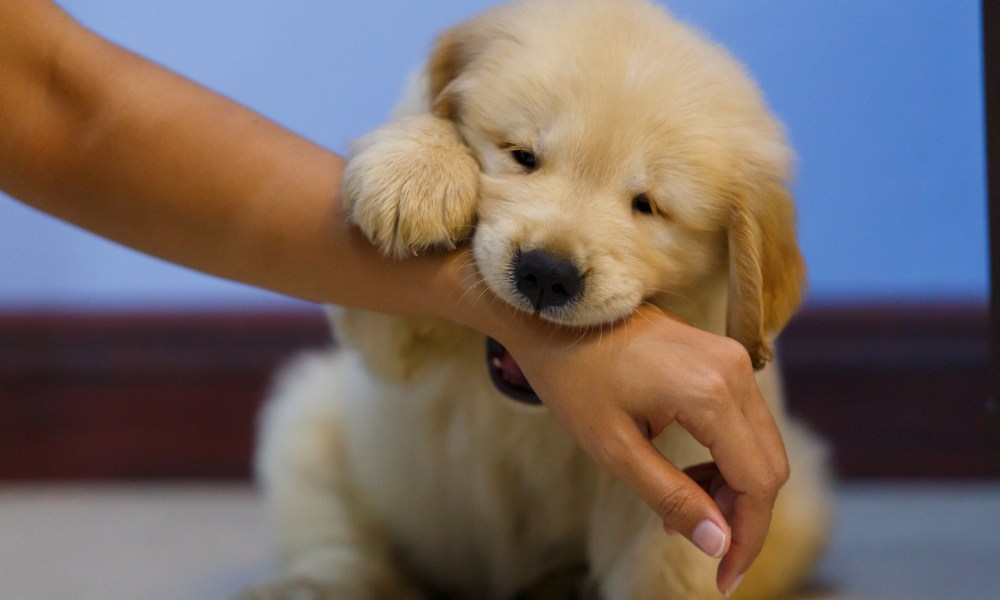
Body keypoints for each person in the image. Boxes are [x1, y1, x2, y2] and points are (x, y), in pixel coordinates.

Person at [0, 1, 787, 595]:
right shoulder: (455, 103)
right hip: (411, 527)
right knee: (307, 421)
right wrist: (424, 143)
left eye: (648, 206)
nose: (555, 255)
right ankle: (337, 571)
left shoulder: (732, 251)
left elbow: (61, 103)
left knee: (691, 479)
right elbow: (385, 347)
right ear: (449, 103)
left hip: (601, 549)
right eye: (521, 156)